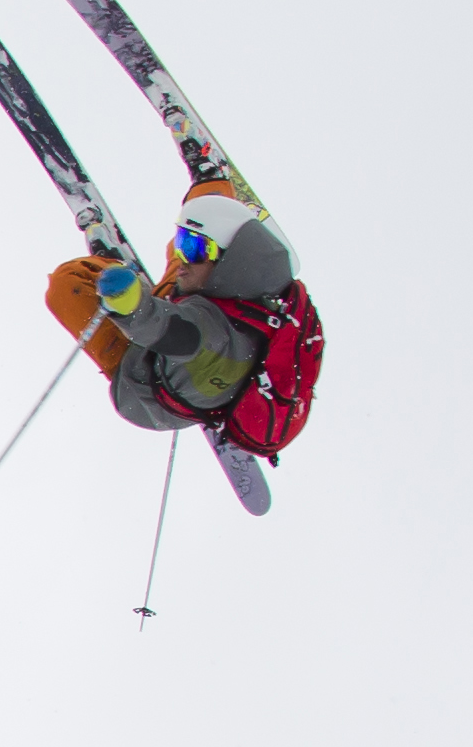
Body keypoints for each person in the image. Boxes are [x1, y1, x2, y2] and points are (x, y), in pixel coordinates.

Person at [44, 185, 305, 509]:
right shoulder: (256, 292)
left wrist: (128, 304)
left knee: (65, 286)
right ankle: (211, 183)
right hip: (215, 362)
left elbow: (169, 330)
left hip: (144, 380)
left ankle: (112, 271)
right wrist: (190, 247)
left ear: (228, 257)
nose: (183, 257)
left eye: (193, 249)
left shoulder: (206, 331)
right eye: (185, 245)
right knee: (199, 221)